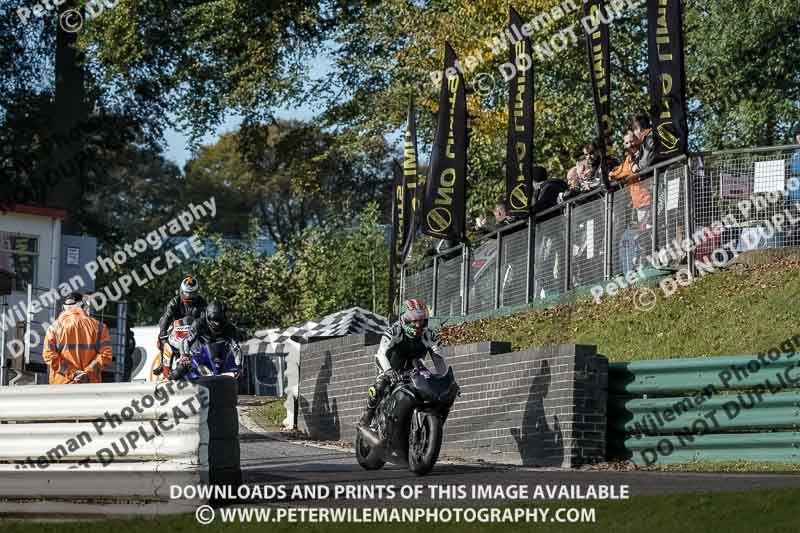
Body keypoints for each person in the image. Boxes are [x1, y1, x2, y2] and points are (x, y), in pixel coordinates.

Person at [358, 298, 448, 428]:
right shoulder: (394, 331)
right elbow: (381, 354)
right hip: (389, 368)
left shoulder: (430, 335)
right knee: (380, 385)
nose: (418, 325)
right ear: (405, 320)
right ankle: (369, 413)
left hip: (414, 372)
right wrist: (389, 372)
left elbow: (439, 361)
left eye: (422, 320)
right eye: (415, 320)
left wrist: (442, 378)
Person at [42, 292, 113, 384]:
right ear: (83, 306)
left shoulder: (54, 328)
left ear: (64, 308)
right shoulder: (99, 327)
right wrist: (87, 373)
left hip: (62, 384)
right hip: (89, 384)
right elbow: (106, 355)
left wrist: (73, 373)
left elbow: (49, 356)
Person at [174, 300, 242, 379]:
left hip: (219, 355)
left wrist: (239, 366)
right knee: (182, 367)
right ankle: (171, 379)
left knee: (238, 372)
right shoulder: (198, 324)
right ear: (208, 316)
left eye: (220, 319)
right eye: (214, 319)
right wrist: (185, 355)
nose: (217, 323)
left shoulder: (230, 329)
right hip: (197, 353)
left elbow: (236, 348)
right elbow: (186, 340)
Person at [154, 276, 206, 374]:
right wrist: (163, 332)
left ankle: (203, 366)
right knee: (161, 338)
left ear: (196, 292)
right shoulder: (175, 301)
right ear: (181, 291)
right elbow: (167, 316)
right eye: (186, 293)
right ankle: (163, 362)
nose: (188, 296)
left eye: (192, 293)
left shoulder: (201, 302)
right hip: (176, 329)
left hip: (194, 331)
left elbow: (204, 318)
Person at [610, 130, 652, 227]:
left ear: (637, 140)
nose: (631, 145)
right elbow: (620, 172)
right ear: (624, 145)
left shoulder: (644, 152)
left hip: (650, 197)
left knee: (655, 228)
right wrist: (610, 175)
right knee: (646, 230)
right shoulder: (628, 159)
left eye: (632, 141)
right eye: (627, 143)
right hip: (639, 202)